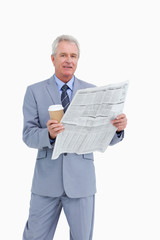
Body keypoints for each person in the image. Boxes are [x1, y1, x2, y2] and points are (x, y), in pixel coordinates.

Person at [22, 35, 127, 240]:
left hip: (81, 182)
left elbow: (104, 135)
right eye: (63, 55)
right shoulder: (34, 91)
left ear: (78, 60)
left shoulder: (93, 91)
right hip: (46, 183)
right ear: (53, 59)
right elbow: (28, 135)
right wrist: (49, 135)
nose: (68, 60)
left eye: (73, 56)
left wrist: (117, 130)